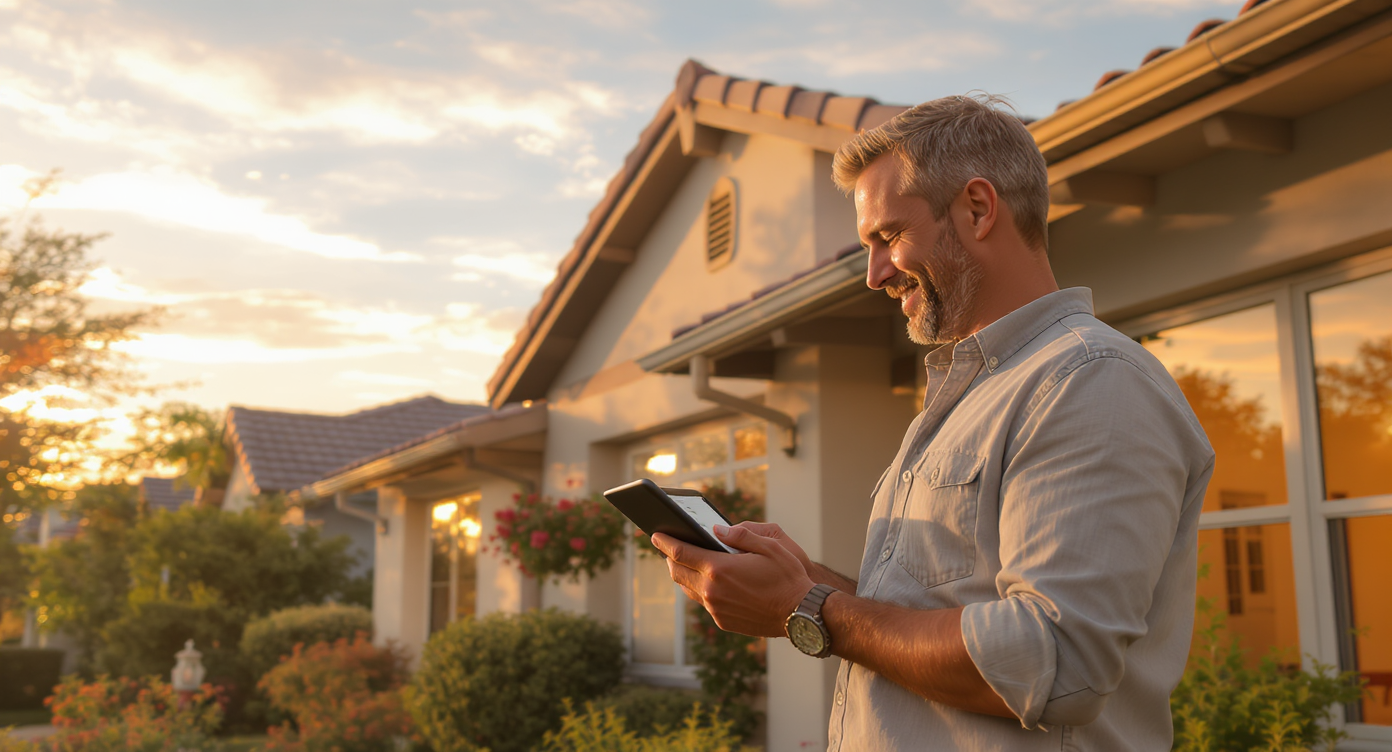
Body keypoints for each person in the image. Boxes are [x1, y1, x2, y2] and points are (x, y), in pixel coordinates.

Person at [652, 94, 1215, 751]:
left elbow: (1059, 665)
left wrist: (806, 609)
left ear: (978, 208)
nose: (874, 274)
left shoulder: (1088, 380)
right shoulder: (972, 395)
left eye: (888, 236)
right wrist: (806, 581)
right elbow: (928, 621)